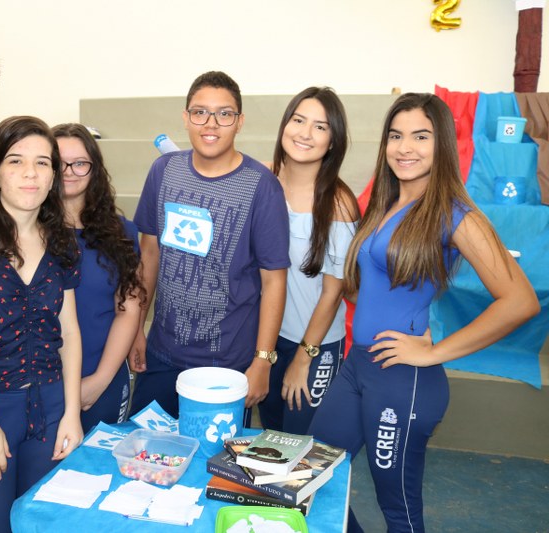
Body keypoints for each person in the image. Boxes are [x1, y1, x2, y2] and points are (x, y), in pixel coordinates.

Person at [308, 93, 540, 532]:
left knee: (398, 510)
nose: (405, 148)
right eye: (395, 136)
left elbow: (520, 300)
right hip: (359, 366)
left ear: (442, 144)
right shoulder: (386, 204)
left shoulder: (455, 214)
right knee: (312, 476)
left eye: (420, 136)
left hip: (402, 380)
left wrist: (435, 352)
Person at [0, 116, 83, 531]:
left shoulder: (63, 242)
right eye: (16, 161)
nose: (30, 173)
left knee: (42, 524)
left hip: (52, 406)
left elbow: (70, 334)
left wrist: (71, 413)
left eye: (42, 163)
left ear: (53, 176)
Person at [129, 71, 290, 420]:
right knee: (146, 448)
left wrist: (263, 360)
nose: (211, 123)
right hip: (162, 354)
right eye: (200, 112)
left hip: (227, 364)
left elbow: (274, 280)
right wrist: (136, 329)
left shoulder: (262, 186)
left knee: (213, 455)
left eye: (224, 113)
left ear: (240, 122)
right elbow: (149, 255)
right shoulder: (163, 171)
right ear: (186, 117)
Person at [257, 87, 359, 434]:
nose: (305, 133)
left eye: (320, 126)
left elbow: (333, 293)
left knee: (301, 445)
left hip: (314, 343)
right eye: (298, 120)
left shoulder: (338, 203)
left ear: (332, 141)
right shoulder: (264, 179)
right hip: (267, 337)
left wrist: (304, 358)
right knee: (270, 437)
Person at [52, 122, 145, 433]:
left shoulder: (121, 233)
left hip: (101, 380)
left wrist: (99, 381)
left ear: (95, 169)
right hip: (40, 386)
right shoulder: (26, 233)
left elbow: (128, 309)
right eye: (58, 162)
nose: (68, 171)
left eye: (80, 163)